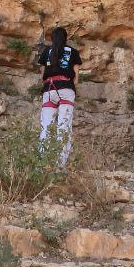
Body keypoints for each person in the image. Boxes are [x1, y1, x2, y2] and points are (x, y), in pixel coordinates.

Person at [36, 26, 83, 167]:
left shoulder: (46, 52)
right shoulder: (73, 52)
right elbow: (76, 78)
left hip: (49, 89)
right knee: (64, 127)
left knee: (46, 126)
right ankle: (60, 166)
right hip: (66, 89)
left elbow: (42, 74)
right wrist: (71, 88)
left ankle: (42, 163)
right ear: (65, 38)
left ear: (52, 38)